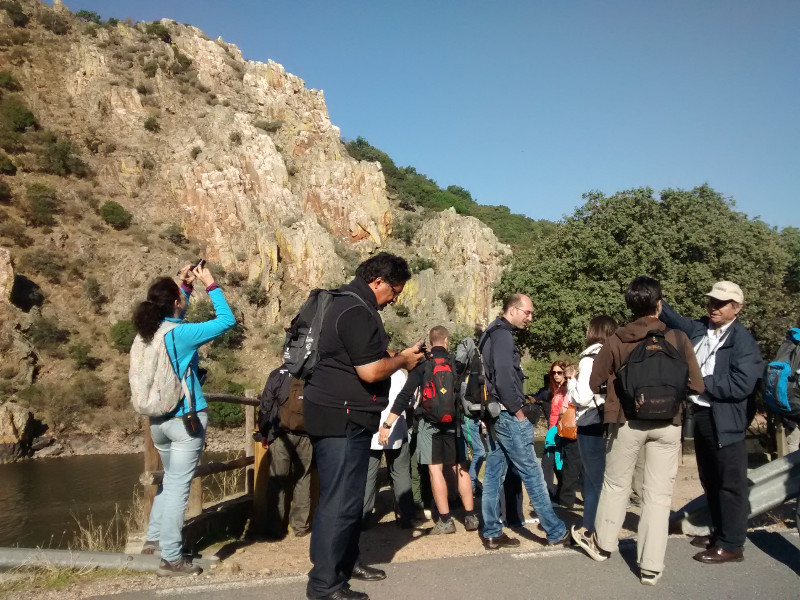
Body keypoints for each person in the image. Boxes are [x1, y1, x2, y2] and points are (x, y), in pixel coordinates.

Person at [303, 252, 424, 600]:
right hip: (342, 417)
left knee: (349, 497)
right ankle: (325, 585)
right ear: (378, 282)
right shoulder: (357, 310)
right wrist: (403, 360)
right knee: (340, 500)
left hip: (340, 414)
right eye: (395, 290)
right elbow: (369, 371)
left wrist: (397, 357)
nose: (396, 298)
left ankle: (346, 562)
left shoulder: (345, 302)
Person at [572, 276, 703, 586]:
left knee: (616, 485)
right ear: (659, 305)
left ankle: (603, 545)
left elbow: (593, 383)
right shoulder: (678, 338)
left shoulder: (617, 339)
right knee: (657, 496)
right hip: (669, 424)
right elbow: (697, 385)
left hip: (626, 422)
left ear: (629, 306)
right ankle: (651, 568)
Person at [134, 263, 236, 576]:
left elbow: (174, 318)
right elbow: (227, 320)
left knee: (170, 481)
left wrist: (186, 288)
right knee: (179, 486)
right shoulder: (181, 334)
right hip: (185, 421)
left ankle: (152, 542)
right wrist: (211, 284)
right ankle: (172, 558)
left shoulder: (147, 334)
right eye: (181, 299)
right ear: (175, 304)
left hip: (158, 423)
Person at [659, 280, 763, 564]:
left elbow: (742, 383)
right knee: (711, 479)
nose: (713, 307)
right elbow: (675, 321)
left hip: (725, 419)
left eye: (721, 303)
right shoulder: (702, 328)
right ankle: (719, 532)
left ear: (737, 308)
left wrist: (702, 383)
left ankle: (732, 544)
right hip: (701, 415)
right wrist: (656, 298)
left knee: (730, 483)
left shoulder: (743, 341)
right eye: (711, 301)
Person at [480, 294, 568, 549]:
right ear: (513, 310)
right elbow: (506, 379)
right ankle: (555, 530)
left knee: (494, 474)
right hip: (508, 416)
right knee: (533, 473)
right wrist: (519, 412)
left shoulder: (490, 333)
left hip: (496, 415)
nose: (530, 318)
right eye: (527, 313)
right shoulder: (504, 336)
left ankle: (492, 532)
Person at [380, 326, 479, 534]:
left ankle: (445, 521)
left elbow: (405, 395)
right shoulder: (455, 363)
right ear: (447, 341)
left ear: (430, 341)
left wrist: (387, 424)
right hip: (454, 423)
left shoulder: (423, 366)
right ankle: (470, 517)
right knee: (460, 468)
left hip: (429, 424)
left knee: (435, 470)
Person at [566, 315, 617, 537]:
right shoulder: (615, 354)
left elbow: (583, 397)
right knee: (604, 478)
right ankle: (595, 525)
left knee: (593, 480)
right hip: (611, 420)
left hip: (590, 421)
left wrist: (573, 383)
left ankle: (592, 528)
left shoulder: (590, 357)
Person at [257, 363, 313, 539]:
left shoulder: (277, 374)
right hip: (308, 434)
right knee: (303, 480)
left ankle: (275, 528)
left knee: (278, 480)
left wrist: (263, 432)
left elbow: (266, 405)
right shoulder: (313, 373)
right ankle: (300, 527)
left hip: (281, 434)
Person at [363, 370, 416, 529]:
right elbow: (410, 401)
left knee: (367, 475)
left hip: (371, 430)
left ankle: (363, 518)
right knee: (400, 473)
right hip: (396, 430)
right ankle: (406, 516)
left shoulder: (367, 372)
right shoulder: (399, 374)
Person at [540, 361, 567, 500]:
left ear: (565, 373)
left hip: (563, 430)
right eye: (554, 372)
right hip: (553, 430)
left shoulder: (568, 389)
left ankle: (555, 495)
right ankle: (553, 494)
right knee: (552, 463)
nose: (556, 375)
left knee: (553, 462)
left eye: (559, 372)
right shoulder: (552, 390)